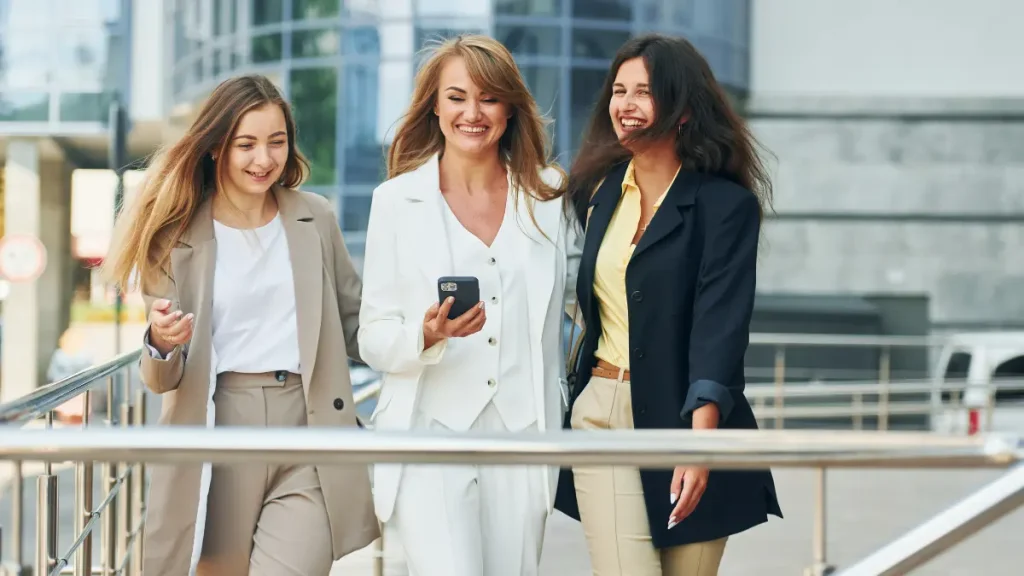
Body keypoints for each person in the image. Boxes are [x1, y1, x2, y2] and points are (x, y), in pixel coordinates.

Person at [102, 74, 378, 576]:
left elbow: (354, 323)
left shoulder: (315, 217)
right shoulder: (174, 235)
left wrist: (421, 335)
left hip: (309, 426)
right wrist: (162, 342)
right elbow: (161, 376)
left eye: (277, 142)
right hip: (218, 430)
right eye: (245, 144)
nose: (264, 159)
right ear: (214, 148)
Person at [554, 34, 783, 575]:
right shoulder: (598, 193)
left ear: (682, 109)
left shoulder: (726, 208)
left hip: (692, 420)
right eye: (618, 90)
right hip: (603, 414)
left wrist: (699, 444)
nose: (625, 105)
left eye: (644, 92)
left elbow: (720, 328)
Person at [357, 34, 573, 576]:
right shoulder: (396, 202)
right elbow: (372, 336)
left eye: (488, 98)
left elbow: (585, 301)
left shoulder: (550, 196)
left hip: (524, 434)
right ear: (434, 105)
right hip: (431, 433)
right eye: (457, 97)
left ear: (510, 108)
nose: (472, 113)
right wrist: (423, 336)